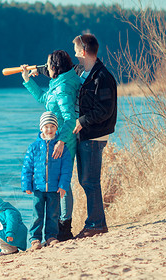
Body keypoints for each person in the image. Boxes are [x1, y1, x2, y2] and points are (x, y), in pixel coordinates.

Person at [34, 34, 117, 238]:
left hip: (94, 135)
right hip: (86, 134)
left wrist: (81, 121)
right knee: (86, 181)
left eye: (76, 50)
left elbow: (105, 110)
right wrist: (37, 70)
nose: (74, 54)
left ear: (84, 52)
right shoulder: (83, 72)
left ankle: (96, 224)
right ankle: (94, 223)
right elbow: (59, 70)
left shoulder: (101, 77)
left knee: (90, 181)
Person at [21, 50, 80, 241]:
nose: (46, 67)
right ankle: (59, 229)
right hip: (56, 138)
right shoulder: (59, 82)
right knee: (58, 182)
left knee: (63, 184)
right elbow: (45, 100)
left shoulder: (62, 88)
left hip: (62, 141)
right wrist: (28, 80)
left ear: (55, 67)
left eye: (48, 65)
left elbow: (71, 118)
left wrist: (61, 141)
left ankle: (64, 227)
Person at [21, 111, 73, 250]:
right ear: (41, 128)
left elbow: (66, 169)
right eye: (46, 126)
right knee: (37, 214)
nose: (49, 130)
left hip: (54, 188)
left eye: (52, 126)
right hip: (38, 188)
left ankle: (51, 237)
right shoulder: (34, 147)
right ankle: (35, 239)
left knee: (53, 214)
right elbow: (27, 168)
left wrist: (63, 186)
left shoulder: (62, 147)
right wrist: (27, 185)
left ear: (56, 128)